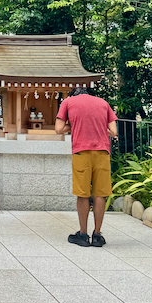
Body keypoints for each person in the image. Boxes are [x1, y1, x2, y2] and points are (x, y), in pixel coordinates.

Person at [55, 86, 118, 247]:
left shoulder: (68, 102)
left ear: (73, 94)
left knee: (83, 194)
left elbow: (58, 129)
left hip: (81, 153)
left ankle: (83, 235)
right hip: (102, 153)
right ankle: (97, 235)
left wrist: (74, 125)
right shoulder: (103, 103)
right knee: (100, 195)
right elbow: (113, 131)